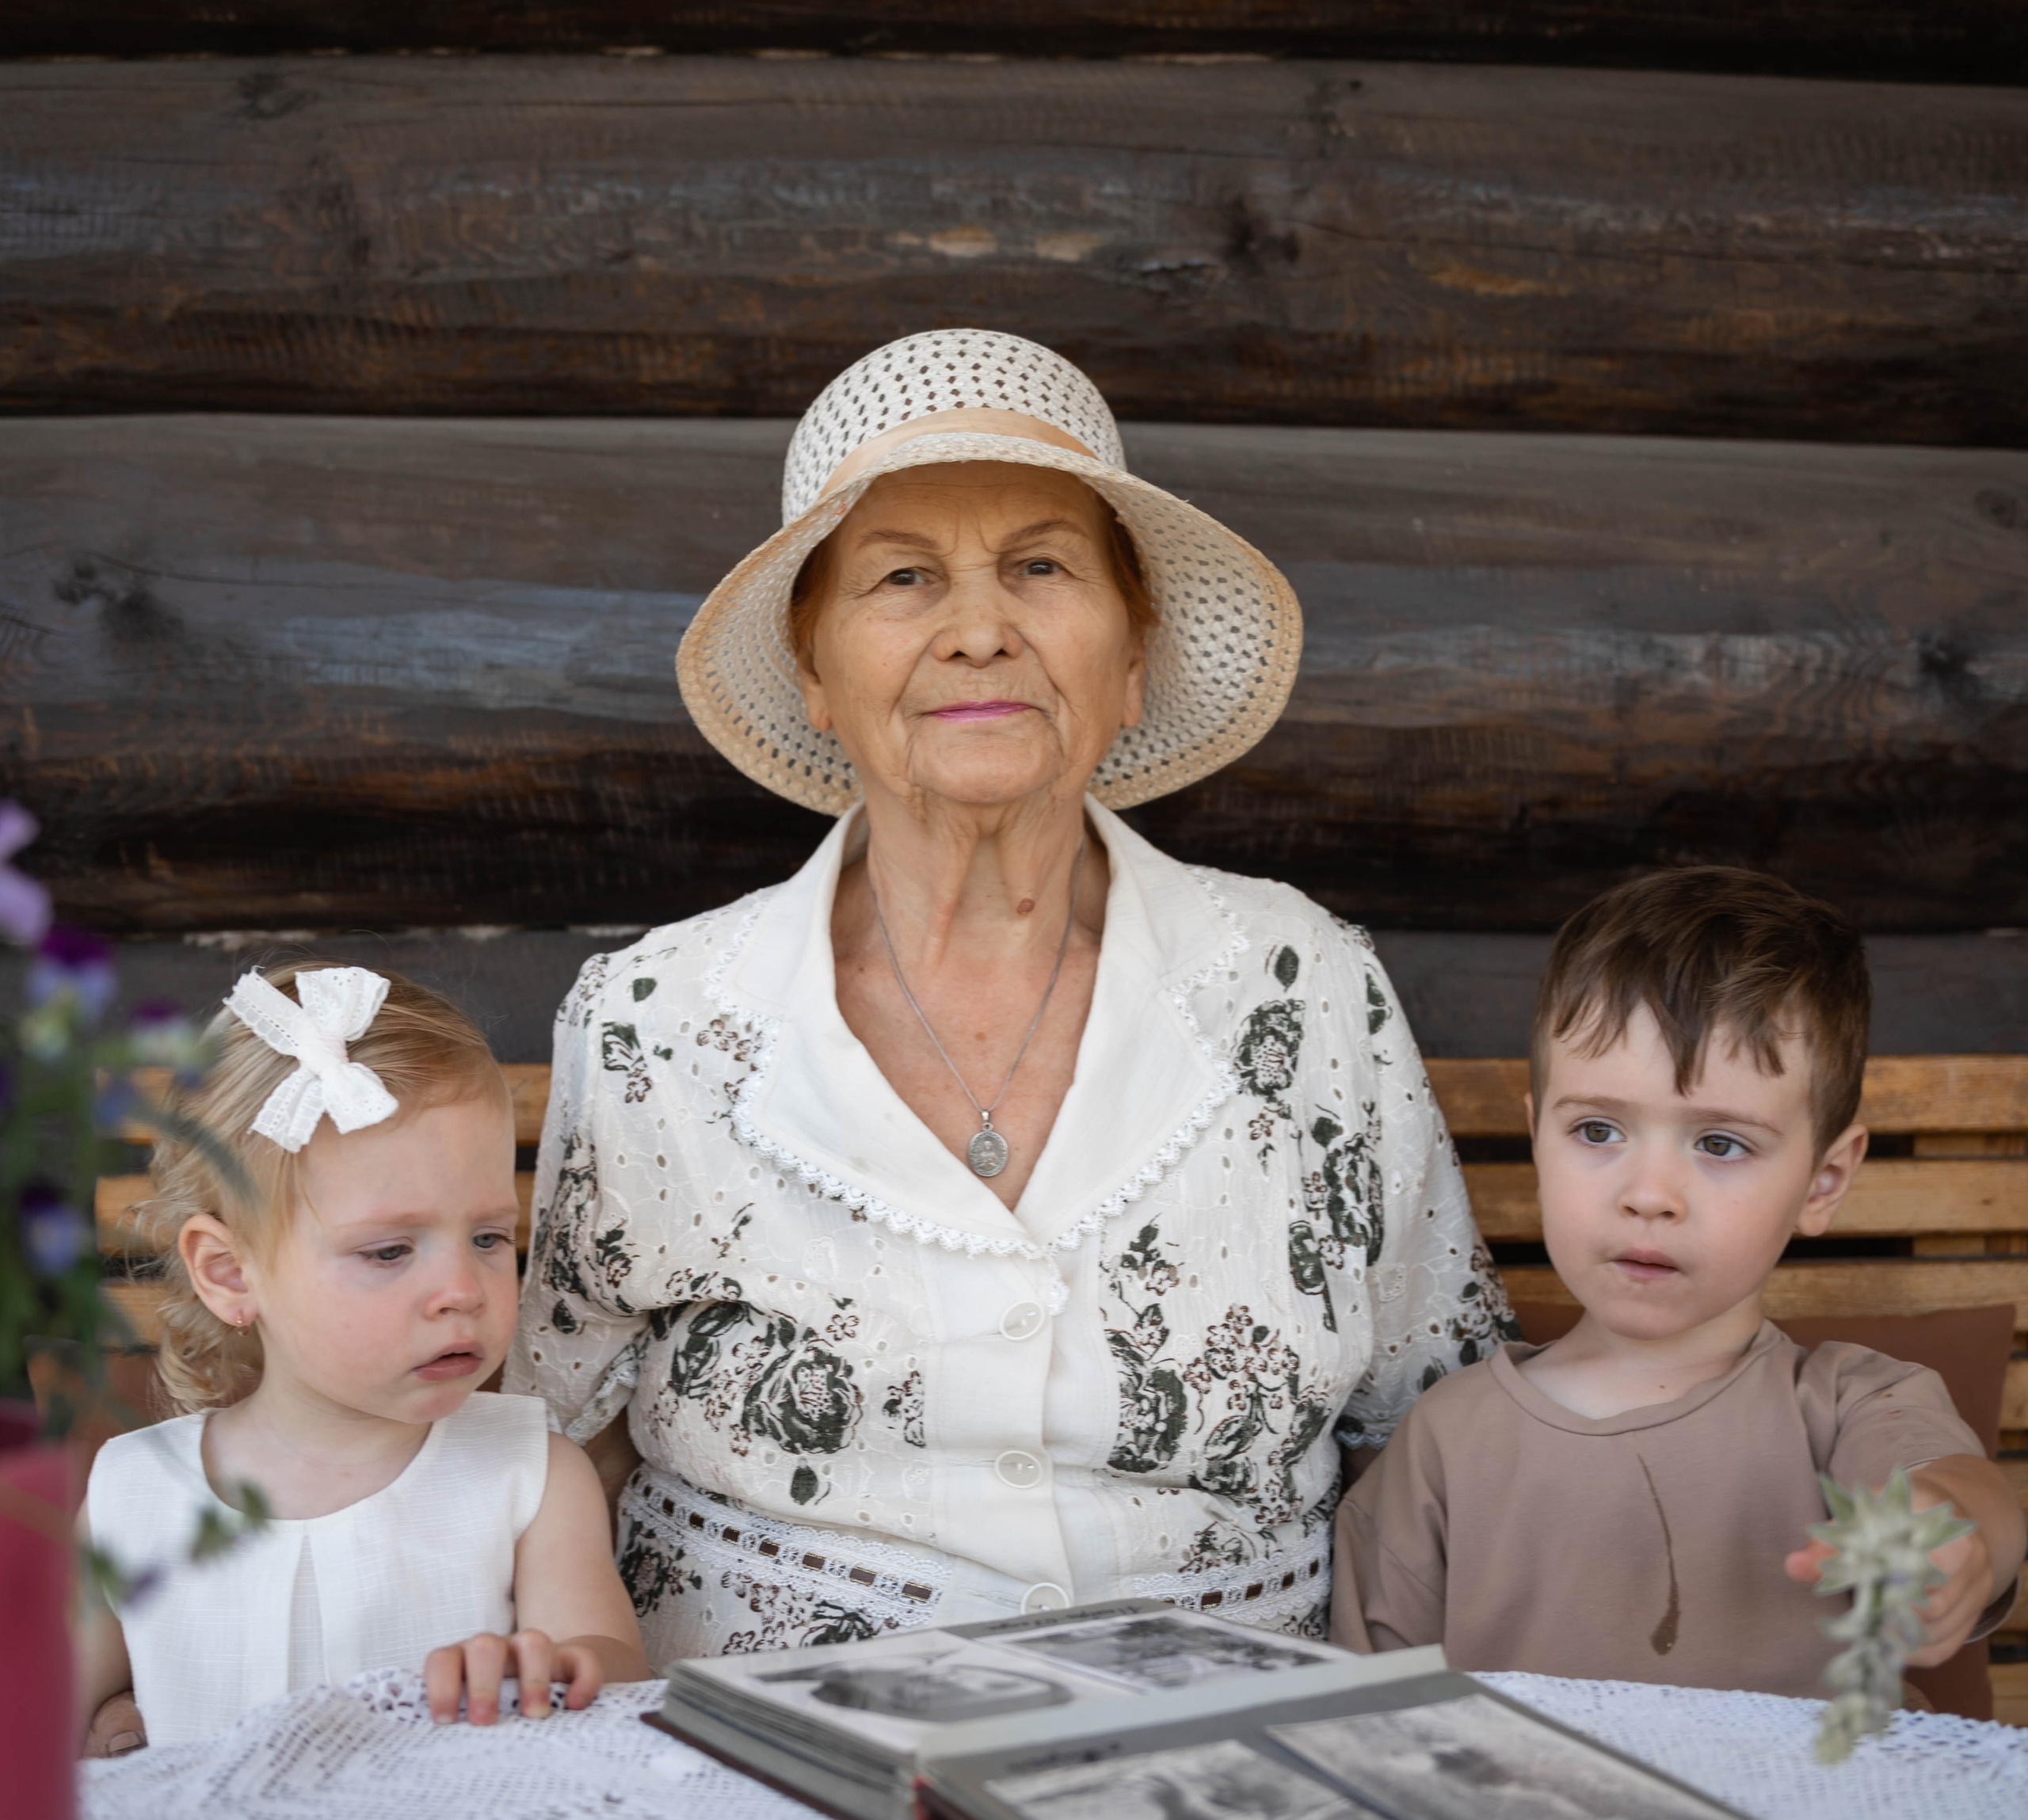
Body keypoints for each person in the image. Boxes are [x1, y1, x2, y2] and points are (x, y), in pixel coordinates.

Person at [508, 329, 1505, 1662]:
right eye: (903, 577)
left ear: (1132, 653)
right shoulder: (656, 1019)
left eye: (1041, 567)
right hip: (772, 1734)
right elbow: (549, 1439)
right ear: (814, 671)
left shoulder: (1302, 980)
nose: (980, 632)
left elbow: (1437, 1420)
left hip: (1224, 1728)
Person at [1332, 867, 2025, 1690]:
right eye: (1597, 1130)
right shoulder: (1445, 1439)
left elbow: (1956, 1488)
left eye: (1720, 1144)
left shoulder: (1850, 1406)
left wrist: (1946, 1534)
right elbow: (1367, 1710)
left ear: (1823, 1182)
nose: (1649, 1195)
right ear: (1537, 1138)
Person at [79, 966, 647, 1754]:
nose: (462, 1289)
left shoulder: (530, 1476)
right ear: (231, 1273)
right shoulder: (135, 1494)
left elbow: (617, 1673)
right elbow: (38, 1712)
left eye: (488, 1236)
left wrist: (552, 1668)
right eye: (388, 1251)